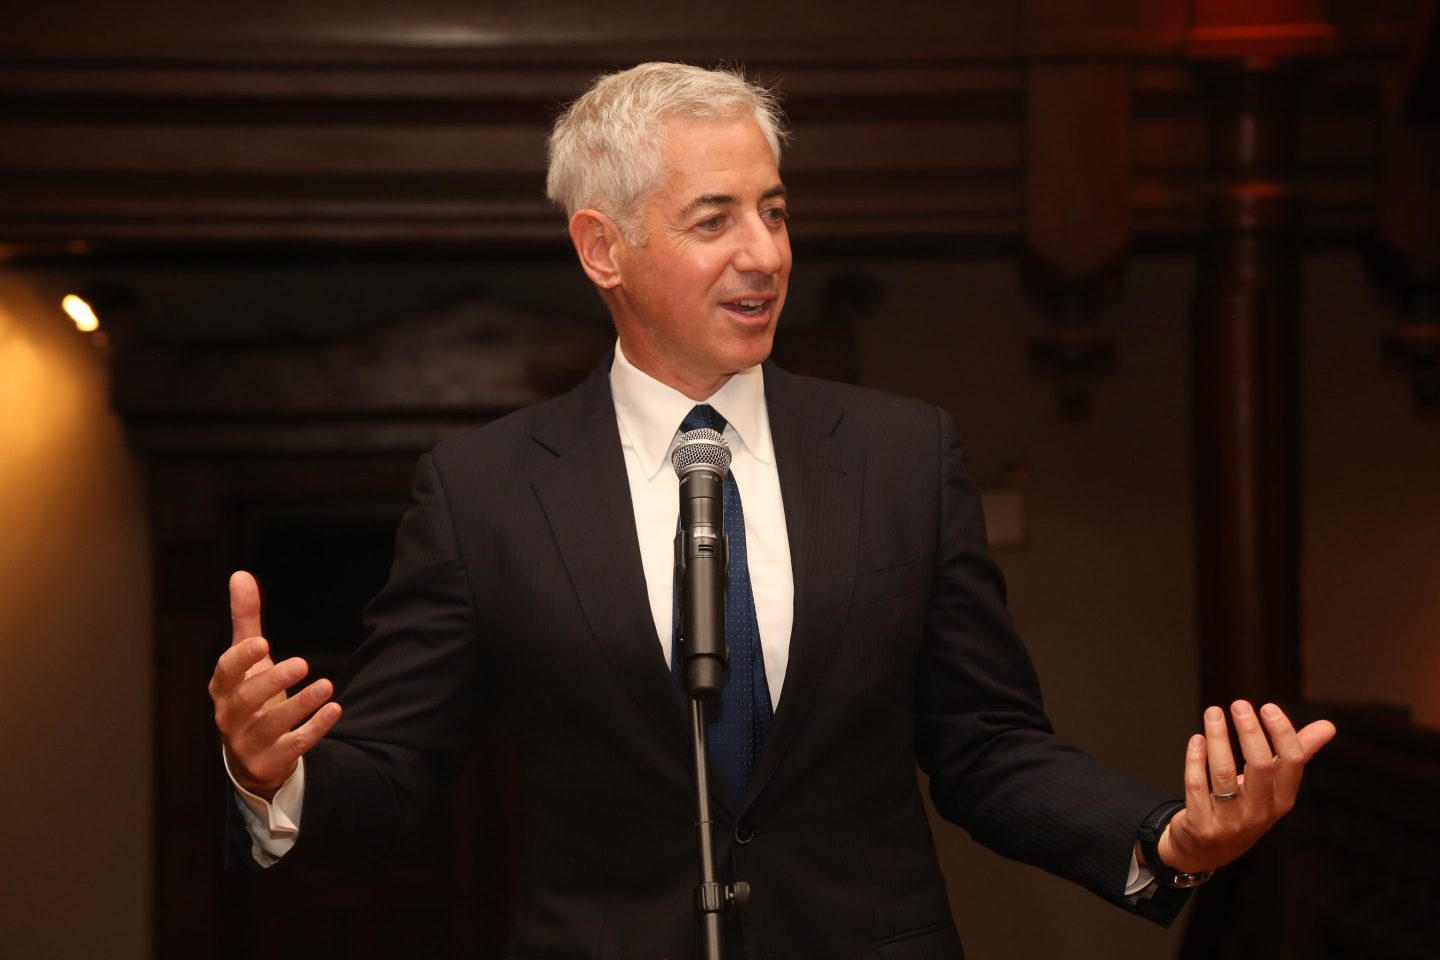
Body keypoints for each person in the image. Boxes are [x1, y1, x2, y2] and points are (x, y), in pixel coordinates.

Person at [209, 62, 1336, 958]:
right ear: (604, 248)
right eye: (715, 221)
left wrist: (1170, 838)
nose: (766, 254)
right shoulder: (484, 492)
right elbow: (398, 768)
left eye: (776, 211)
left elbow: (988, 748)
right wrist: (276, 775)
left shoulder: (902, 454)